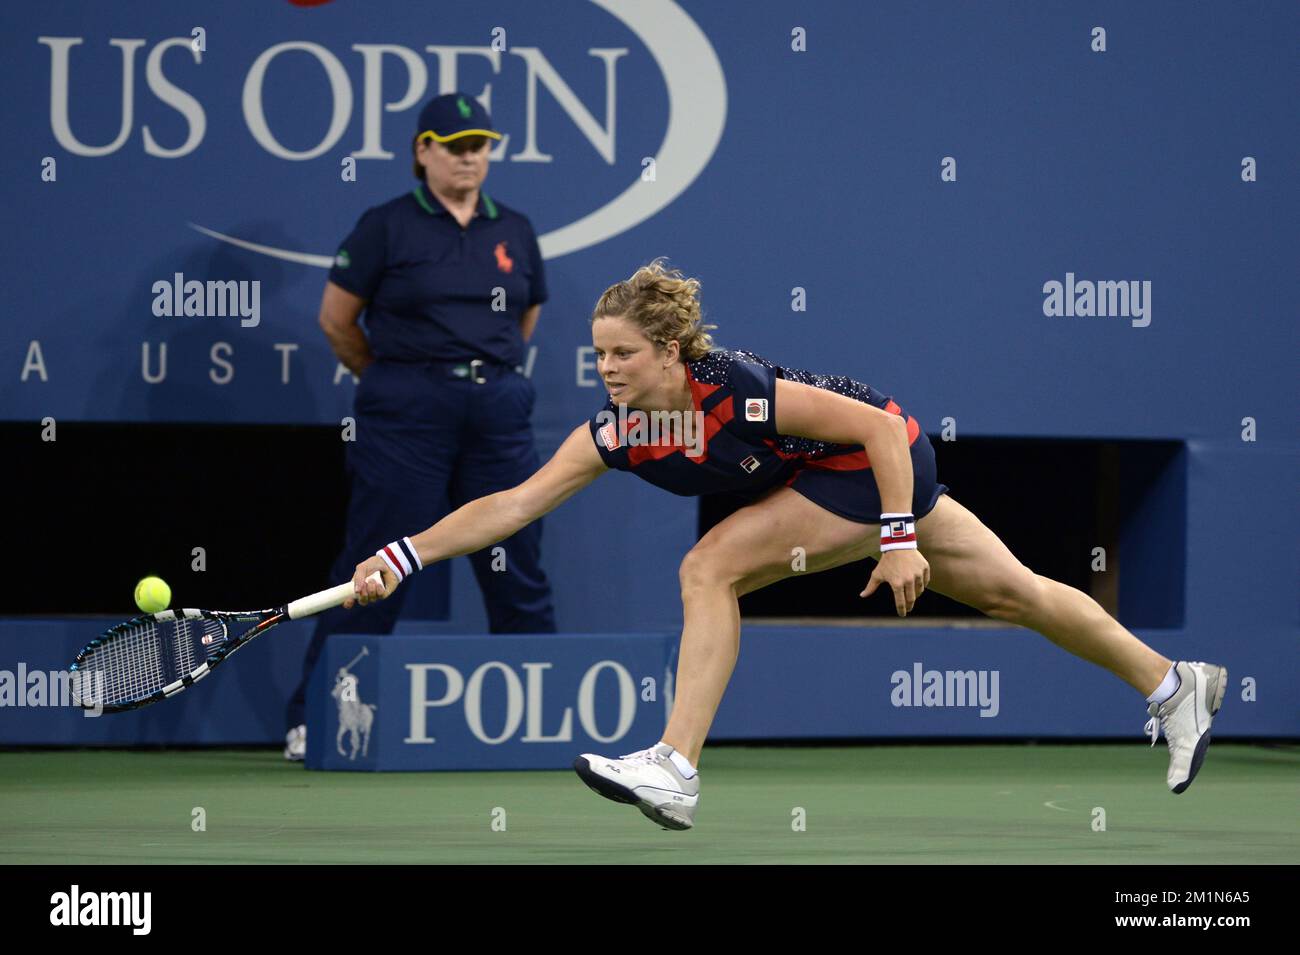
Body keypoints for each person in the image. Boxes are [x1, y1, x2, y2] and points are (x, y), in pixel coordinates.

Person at [341, 261, 1227, 830]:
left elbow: (882, 431)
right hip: (852, 481)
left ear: (671, 351)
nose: (605, 369)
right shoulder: (616, 433)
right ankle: (1172, 683)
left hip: (879, 461)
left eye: (622, 354)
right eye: (598, 354)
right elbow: (512, 504)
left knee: (708, 566)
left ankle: (675, 764)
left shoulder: (738, 392)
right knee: (1018, 593)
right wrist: (406, 554)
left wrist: (895, 537)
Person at [284, 93, 557, 760]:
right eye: (455, 144)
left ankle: (545, 719)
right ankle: (317, 719)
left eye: (481, 144)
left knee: (516, 561)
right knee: (379, 561)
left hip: (496, 412)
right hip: (407, 413)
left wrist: (480, 376)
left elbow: (523, 322)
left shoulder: (514, 229)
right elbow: (336, 320)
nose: (470, 155)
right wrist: (401, 378)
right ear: (422, 151)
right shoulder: (386, 225)